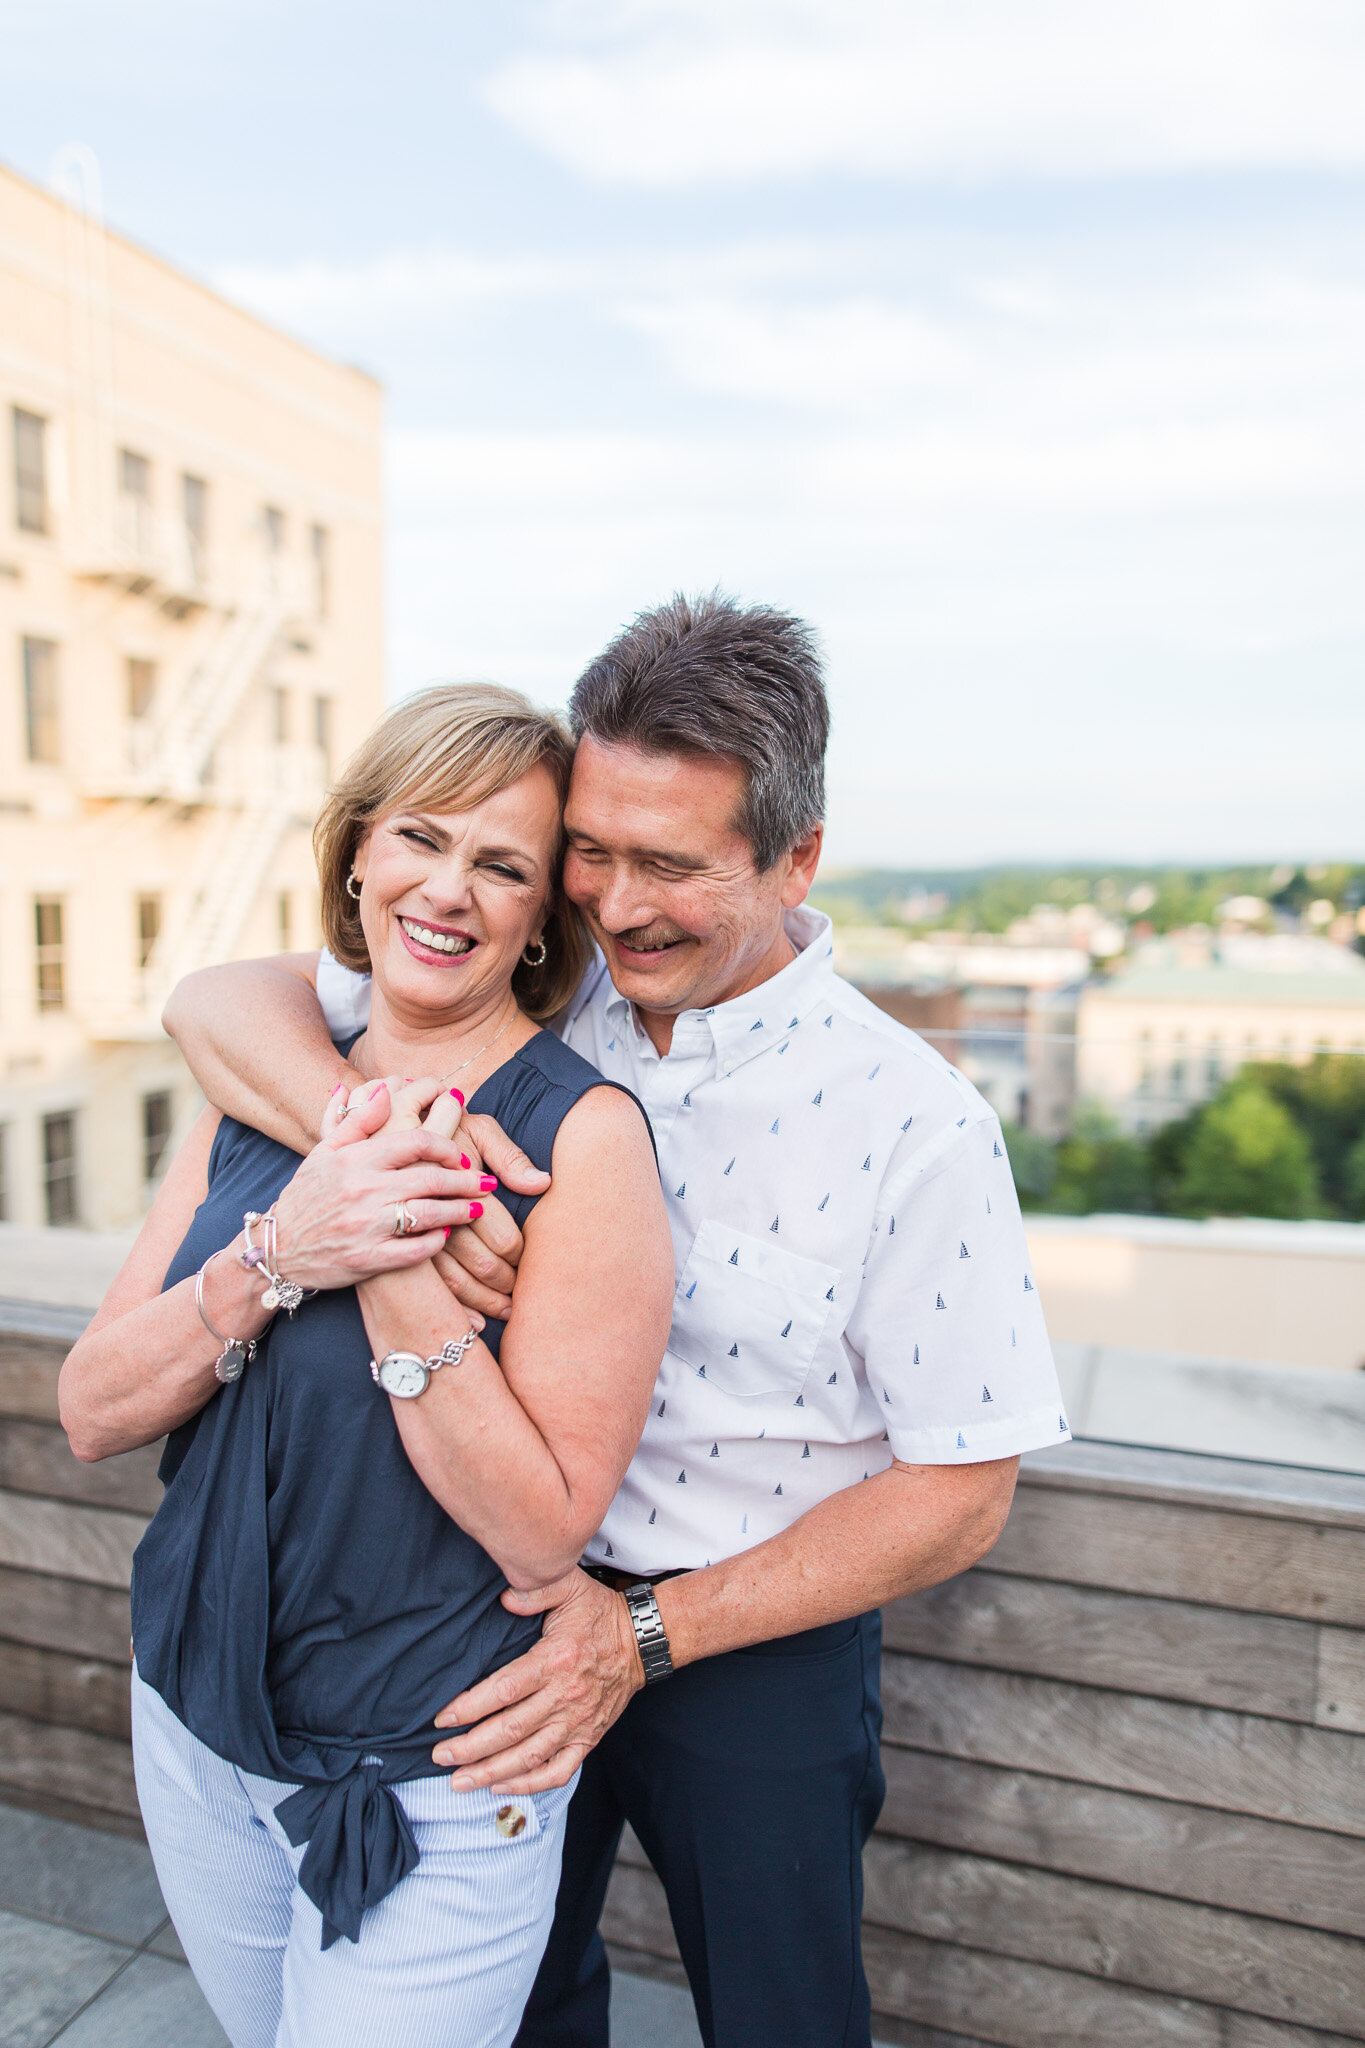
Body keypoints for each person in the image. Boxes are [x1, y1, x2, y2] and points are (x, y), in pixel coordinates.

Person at [164, 595, 1070, 2048]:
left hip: (744, 1642)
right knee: (513, 2016)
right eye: (592, 850)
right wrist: (389, 1169)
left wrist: (645, 1633)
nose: (617, 901)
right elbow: (215, 1003)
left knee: (781, 2022)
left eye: (671, 865)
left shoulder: (919, 1122)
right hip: (476, 1608)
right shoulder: (541, 978)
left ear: (796, 859)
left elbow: (963, 1489)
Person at [59, 684, 673, 2048]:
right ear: (356, 853)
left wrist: (385, 1247)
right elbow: (92, 1408)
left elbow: (542, 1525)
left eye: (502, 865)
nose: (449, 889)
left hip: (431, 1784)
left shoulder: (577, 1141)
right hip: (196, 1728)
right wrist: (282, 1248)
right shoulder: (262, 1084)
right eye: (420, 836)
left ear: (539, 919)